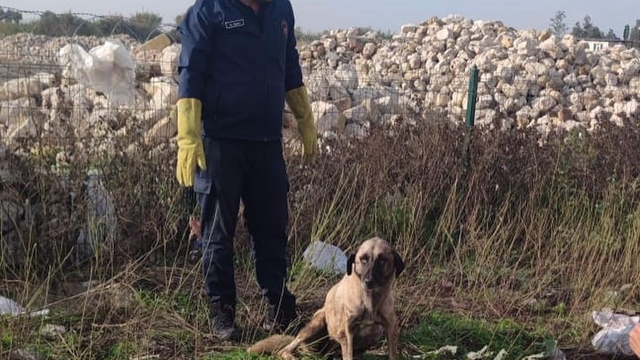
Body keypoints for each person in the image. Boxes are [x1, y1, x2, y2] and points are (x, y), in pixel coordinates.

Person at [174, 0, 318, 341]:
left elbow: (290, 66)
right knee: (217, 233)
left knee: (271, 228)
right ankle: (222, 312)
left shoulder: (281, 9)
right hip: (220, 143)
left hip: (267, 142)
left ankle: (279, 308)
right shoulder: (207, 11)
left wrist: (305, 120)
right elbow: (191, 72)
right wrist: (188, 135)